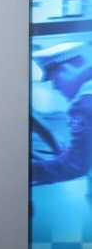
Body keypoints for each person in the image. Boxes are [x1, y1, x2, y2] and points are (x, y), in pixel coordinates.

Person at [31, 41, 92, 191]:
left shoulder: (84, 105)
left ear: (64, 69)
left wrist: (26, 171)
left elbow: (74, 165)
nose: (54, 86)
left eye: (53, 79)